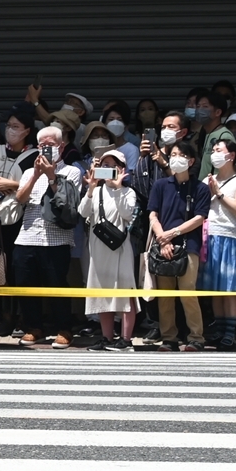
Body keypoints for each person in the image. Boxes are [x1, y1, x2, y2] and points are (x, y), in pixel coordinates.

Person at [12, 122, 82, 348]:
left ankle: (64, 328)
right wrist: (36, 175)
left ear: (61, 147)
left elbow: (67, 204)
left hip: (56, 239)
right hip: (27, 236)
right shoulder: (28, 171)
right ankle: (34, 327)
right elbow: (20, 199)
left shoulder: (71, 171)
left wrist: (52, 177)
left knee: (57, 284)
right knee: (25, 283)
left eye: (50, 145)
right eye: (42, 145)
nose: (45, 149)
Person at [147, 140, 210, 352]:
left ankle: (195, 338)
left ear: (191, 161)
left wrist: (172, 234)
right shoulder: (161, 185)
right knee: (165, 296)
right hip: (162, 245)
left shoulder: (200, 188)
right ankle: (169, 338)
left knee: (187, 292)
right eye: (172, 154)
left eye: (181, 155)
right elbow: (152, 214)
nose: (175, 158)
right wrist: (161, 238)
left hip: (188, 244)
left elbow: (200, 217)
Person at [79, 146, 140, 351]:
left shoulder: (128, 192)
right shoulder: (95, 192)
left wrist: (118, 186)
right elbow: (83, 212)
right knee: (101, 291)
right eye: (105, 166)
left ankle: (126, 338)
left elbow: (127, 214)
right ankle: (107, 337)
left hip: (120, 248)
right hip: (98, 250)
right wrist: (90, 188)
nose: (109, 170)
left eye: (114, 166)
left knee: (125, 292)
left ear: (123, 169)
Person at [200, 133, 236, 351]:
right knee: (215, 288)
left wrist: (218, 193)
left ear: (231, 155)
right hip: (210, 236)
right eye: (213, 151)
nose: (214, 155)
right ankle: (219, 330)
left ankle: (230, 332)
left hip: (231, 237)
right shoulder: (207, 180)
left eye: (219, 151)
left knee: (230, 288)